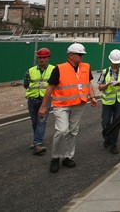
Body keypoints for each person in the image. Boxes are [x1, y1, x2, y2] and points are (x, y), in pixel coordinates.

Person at [38, 43, 97, 173]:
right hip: (61, 105)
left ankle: (67, 157)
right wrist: (43, 106)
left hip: (79, 104)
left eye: (83, 55)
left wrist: (92, 97)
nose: (82, 57)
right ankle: (55, 157)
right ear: (71, 55)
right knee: (62, 130)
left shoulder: (86, 67)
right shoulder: (59, 69)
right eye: (80, 54)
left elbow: (88, 83)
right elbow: (50, 88)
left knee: (73, 131)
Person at [97, 49, 120, 154]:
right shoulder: (105, 72)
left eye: (118, 63)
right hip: (107, 102)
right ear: (110, 61)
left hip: (119, 101)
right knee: (105, 122)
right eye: (114, 63)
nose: (116, 65)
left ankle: (113, 144)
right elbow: (100, 87)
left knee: (116, 123)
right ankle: (107, 136)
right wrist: (107, 84)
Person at [24, 47, 55, 155]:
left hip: (45, 100)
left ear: (48, 58)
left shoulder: (53, 70)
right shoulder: (31, 70)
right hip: (32, 99)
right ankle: (37, 140)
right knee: (35, 122)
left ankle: (37, 144)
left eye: (44, 57)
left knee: (41, 121)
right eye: (40, 58)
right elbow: (26, 84)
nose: (42, 60)